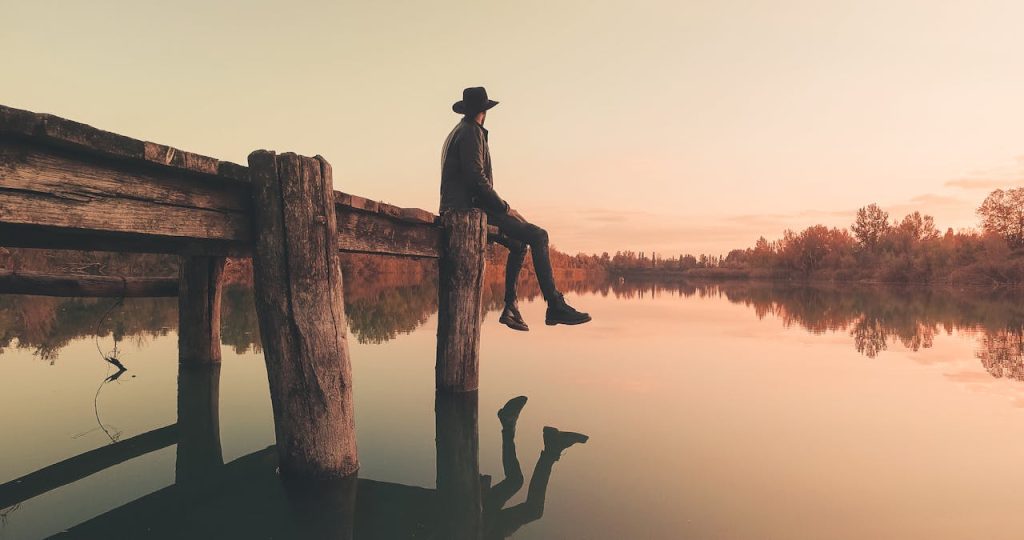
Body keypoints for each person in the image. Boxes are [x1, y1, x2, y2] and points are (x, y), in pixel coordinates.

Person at [440, 86, 592, 330]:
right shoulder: (471, 132)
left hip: (463, 209)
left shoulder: (460, 131)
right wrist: (505, 208)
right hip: (467, 212)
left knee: (519, 243)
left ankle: (511, 306)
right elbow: (476, 180)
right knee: (539, 236)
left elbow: (473, 179)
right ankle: (554, 305)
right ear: (484, 111)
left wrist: (504, 208)